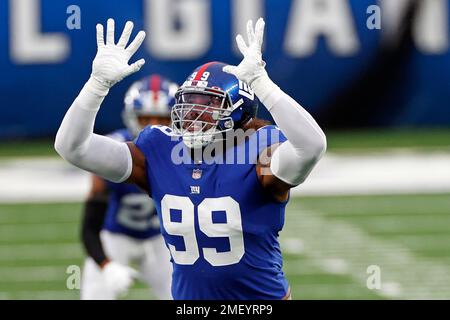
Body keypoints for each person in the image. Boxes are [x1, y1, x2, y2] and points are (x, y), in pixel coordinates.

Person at [55, 18, 326, 299]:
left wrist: (263, 84)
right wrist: (96, 85)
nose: (191, 117)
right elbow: (73, 148)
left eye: (206, 107)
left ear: (237, 112)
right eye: (187, 105)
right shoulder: (159, 149)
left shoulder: (259, 154)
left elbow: (312, 145)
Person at [80, 75, 178, 300]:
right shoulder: (114, 152)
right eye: (146, 119)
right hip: (116, 236)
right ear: (132, 118)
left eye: (162, 119)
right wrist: (107, 265)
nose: (154, 127)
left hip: (163, 239)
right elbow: (89, 227)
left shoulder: (186, 152)